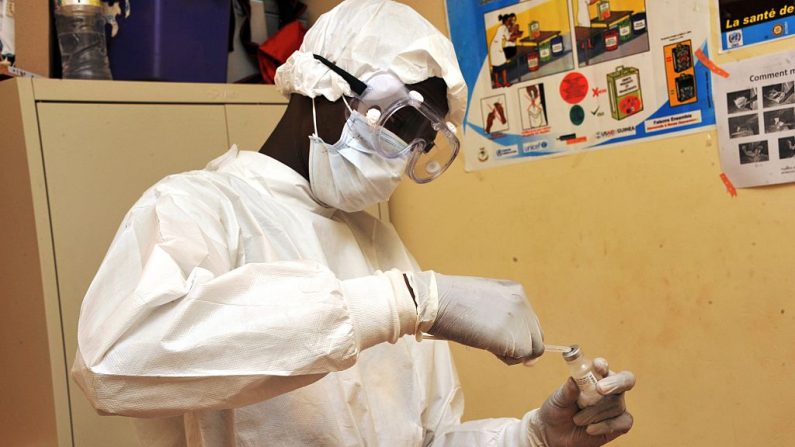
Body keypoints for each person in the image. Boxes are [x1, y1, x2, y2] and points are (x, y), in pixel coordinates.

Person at [72, 0, 635, 445]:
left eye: (422, 139)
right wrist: (402, 304)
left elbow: (427, 438)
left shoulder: (381, 248)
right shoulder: (197, 209)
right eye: (401, 124)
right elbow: (114, 360)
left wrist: (531, 438)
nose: (406, 152)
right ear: (325, 85)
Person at [489, 13, 519, 88]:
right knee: (499, 66)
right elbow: (509, 38)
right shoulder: (503, 28)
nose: (510, 21)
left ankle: (503, 82)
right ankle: (499, 82)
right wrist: (517, 35)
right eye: (509, 20)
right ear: (505, 21)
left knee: (500, 66)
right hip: (496, 48)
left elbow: (507, 36)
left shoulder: (504, 27)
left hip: (497, 47)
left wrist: (513, 31)